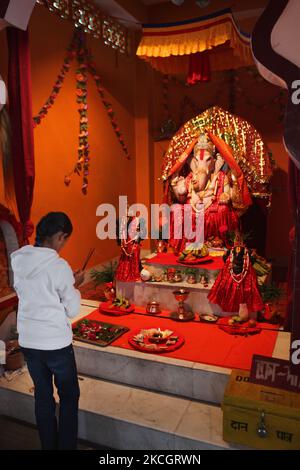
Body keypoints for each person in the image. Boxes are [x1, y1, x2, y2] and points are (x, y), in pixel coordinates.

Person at [10, 212, 84, 450]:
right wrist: (74, 285)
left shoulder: (19, 260)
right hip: (55, 344)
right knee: (69, 396)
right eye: (65, 240)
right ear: (60, 237)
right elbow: (72, 309)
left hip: (30, 342)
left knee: (43, 396)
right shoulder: (58, 265)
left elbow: (37, 291)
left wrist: (66, 284)